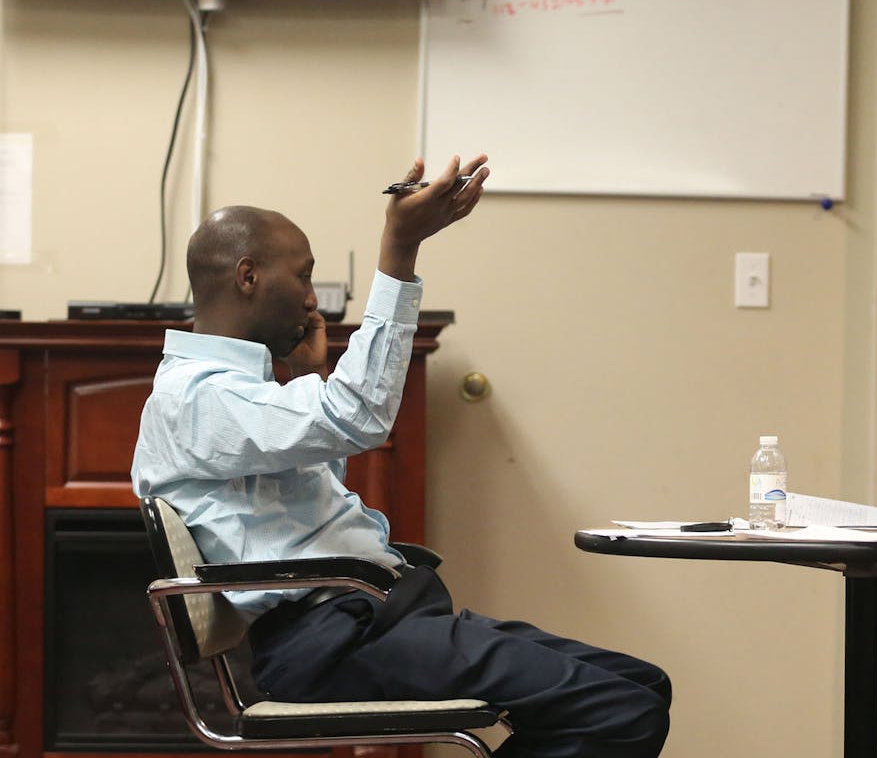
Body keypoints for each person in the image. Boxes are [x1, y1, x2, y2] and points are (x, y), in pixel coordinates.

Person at [131, 154, 672, 758]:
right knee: (621, 712)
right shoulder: (197, 397)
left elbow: (292, 516)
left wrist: (307, 376)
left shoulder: (228, 396)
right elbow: (358, 414)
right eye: (304, 276)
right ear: (248, 276)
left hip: (368, 620)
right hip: (333, 642)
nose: (313, 299)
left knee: (642, 686)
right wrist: (399, 249)